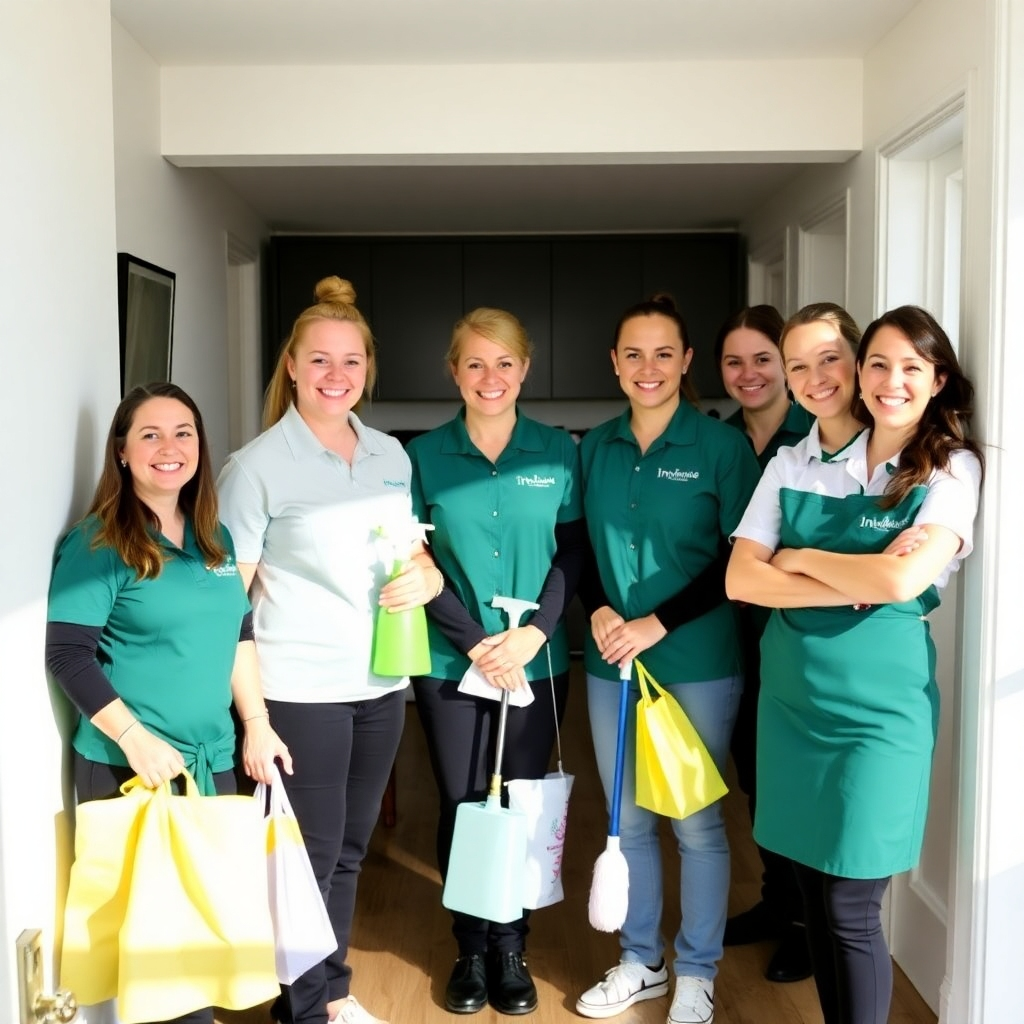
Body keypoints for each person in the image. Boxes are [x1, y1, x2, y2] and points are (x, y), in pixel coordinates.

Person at [726, 305, 983, 1024]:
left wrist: (801, 559)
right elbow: (741, 581)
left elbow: (902, 584)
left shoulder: (946, 466)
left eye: (908, 368)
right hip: (791, 704)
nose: (888, 381)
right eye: (879, 365)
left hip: (877, 718)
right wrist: (855, 576)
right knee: (811, 888)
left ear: (938, 379)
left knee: (850, 903)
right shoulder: (796, 461)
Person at [217, 277, 439, 1024]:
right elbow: (226, 608)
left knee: (349, 850)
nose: (336, 375)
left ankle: (332, 993)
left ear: (368, 368)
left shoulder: (389, 457)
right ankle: (302, 1012)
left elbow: (409, 554)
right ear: (291, 366)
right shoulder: (255, 467)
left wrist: (427, 574)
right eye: (320, 361)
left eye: (351, 361)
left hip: (379, 683)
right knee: (305, 860)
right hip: (297, 690)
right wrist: (252, 719)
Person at [46, 381, 290, 1024]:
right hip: (135, 771)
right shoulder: (100, 542)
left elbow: (238, 634)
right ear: (122, 452)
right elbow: (68, 655)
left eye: (183, 432)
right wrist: (135, 740)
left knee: (207, 940)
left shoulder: (213, 537)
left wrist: (257, 725)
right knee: (164, 962)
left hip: (211, 763)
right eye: (149, 434)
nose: (169, 447)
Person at [575, 294, 760, 1024]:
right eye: (632, 354)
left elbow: (741, 560)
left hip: (697, 660)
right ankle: (640, 960)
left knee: (696, 825)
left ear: (686, 362)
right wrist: (596, 608)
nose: (646, 368)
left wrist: (656, 622)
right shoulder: (596, 446)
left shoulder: (721, 451)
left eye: (662, 354)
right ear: (614, 364)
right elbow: (580, 545)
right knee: (628, 818)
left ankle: (697, 971)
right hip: (609, 661)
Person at [405, 307, 585, 1017]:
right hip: (452, 659)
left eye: (504, 363)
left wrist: (536, 634)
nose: (490, 377)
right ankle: (469, 949)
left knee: (516, 802)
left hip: (537, 659)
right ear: (453, 371)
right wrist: (477, 641)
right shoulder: (421, 456)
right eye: (475, 364)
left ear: (525, 370)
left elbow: (572, 551)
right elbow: (413, 560)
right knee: (462, 803)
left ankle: (511, 947)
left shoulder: (557, 452)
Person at [716, 305, 815, 982]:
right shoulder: (720, 442)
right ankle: (777, 904)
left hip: (800, 634)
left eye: (761, 359)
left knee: (801, 780)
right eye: (734, 362)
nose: (748, 374)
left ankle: (811, 925)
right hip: (732, 638)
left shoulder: (816, 434)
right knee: (754, 773)